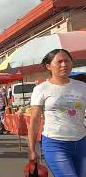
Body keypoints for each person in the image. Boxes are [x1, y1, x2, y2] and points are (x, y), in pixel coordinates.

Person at [28, 49, 86, 177]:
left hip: (82, 142)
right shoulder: (41, 89)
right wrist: (32, 149)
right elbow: (35, 120)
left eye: (67, 61)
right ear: (49, 66)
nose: (64, 65)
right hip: (55, 144)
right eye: (59, 62)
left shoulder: (82, 86)